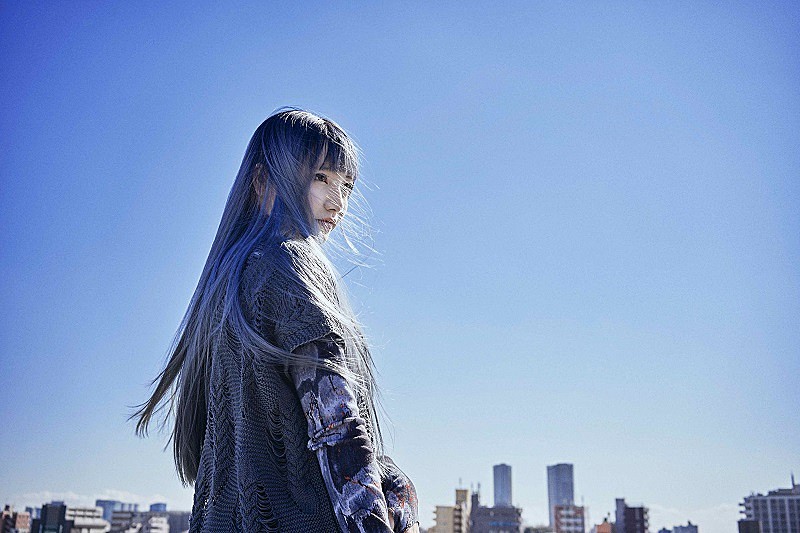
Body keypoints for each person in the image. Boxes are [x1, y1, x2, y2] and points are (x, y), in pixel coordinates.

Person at [130, 108, 420, 532]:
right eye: (320, 177)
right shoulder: (288, 264)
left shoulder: (226, 285)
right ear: (263, 181)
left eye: (345, 185)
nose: (338, 203)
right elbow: (337, 428)